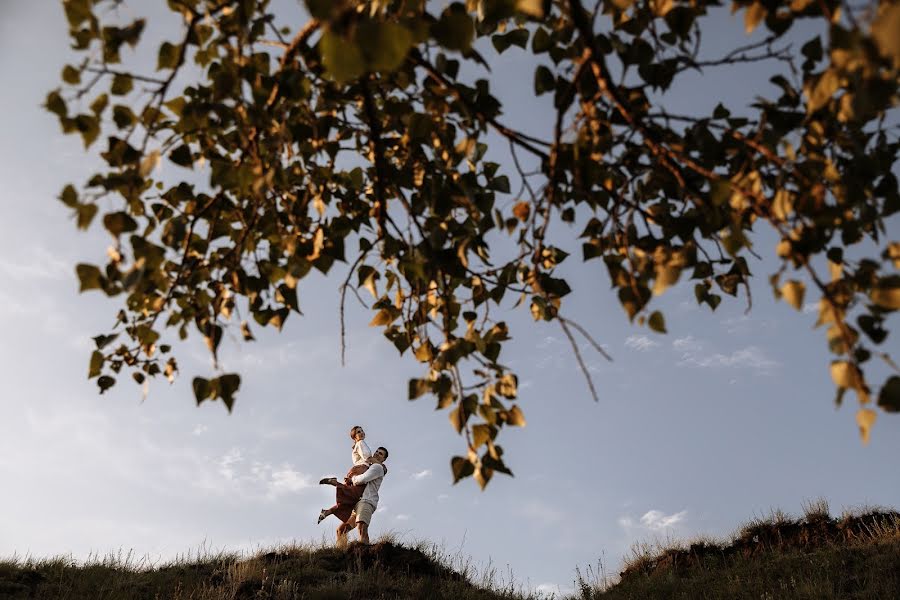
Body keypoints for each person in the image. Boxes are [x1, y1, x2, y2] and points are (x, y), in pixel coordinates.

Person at [317, 426, 372, 524]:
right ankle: (335, 482)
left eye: (362, 431)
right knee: (354, 496)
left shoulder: (356, 446)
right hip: (361, 469)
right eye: (358, 432)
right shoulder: (361, 443)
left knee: (349, 498)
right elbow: (367, 456)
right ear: (355, 437)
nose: (362, 433)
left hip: (356, 470)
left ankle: (327, 511)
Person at [336, 446, 388, 545]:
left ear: (384, 459)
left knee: (361, 528)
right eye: (377, 451)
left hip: (366, 501)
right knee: (341, 530)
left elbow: (363, 479)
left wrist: (352, 479)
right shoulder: (368, 466)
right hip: (356, 501)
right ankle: (341, 555)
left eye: (380, 453)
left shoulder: (378, 467)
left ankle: (364, 556)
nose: (377, 453)